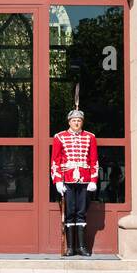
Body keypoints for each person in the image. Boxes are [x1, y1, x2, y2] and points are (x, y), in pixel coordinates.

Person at [52, 100, 98, 257]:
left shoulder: (90, 137)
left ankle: (82, 247)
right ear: (69, 122)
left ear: (82, 122)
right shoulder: (60, 137)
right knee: (70, 212)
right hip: (67, 179)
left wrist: (93, 179)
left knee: (81, 212)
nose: (76, 123)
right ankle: (70, 247)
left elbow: (94, 160)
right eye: (74, 121)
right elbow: (55, 161)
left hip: (84, 179)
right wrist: (57, 180)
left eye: (79, 121)